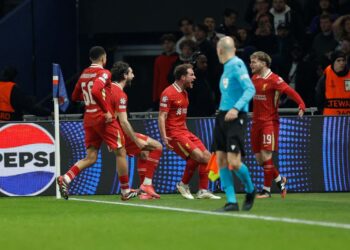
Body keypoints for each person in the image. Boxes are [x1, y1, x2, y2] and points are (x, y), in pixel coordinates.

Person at [56, 46, 139, 201]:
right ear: (103, 58)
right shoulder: (104, 73)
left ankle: (65, 178)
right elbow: (95, 90)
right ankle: (125, 190)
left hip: (89, 118)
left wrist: (89, 103)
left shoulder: (84, 73)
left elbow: (75, 96)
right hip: (103, 119)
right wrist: (105, 109)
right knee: (121, 152)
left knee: (91, 157)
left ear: (90, 59)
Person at [158, 63, 220, 200]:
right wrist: (164, 137)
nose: (194, 77)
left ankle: (202, 190)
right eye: (191, 75)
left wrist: (185, 131)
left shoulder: (185, 93)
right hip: (174, 134)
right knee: (199, 157)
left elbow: (181, 117)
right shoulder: (168, 93)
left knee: (207, 157)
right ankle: (183, 184)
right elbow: (162, 116)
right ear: (182, 77)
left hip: (184, 132)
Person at [249, 51, 306, 198]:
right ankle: (281, 180)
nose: (251, 64)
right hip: (256, 123)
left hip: (269, 122)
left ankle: (266, 191)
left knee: (266, 155)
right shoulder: (254, 77)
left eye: (254, 61)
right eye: (251, 61)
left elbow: (290, 91)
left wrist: (301, 104)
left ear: (263, 63)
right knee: (259, 159)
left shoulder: (274, 79)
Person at [214, 36, 256, 212]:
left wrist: (236, 108)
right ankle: (231, 202)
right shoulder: (226, 67)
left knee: (234, 161)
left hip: (235, 116)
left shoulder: (237, 65)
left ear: (221, 50)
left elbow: (250, 89)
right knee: (221, 160)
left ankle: (250, 190)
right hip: (223, 116)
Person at [110, 61, 163, 199]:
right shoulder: (120, 94)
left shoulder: (108, 89)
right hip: (121, 133)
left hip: (113, 134)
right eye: (131, 73)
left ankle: (144, 192)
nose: (133, 76)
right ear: (125, 75)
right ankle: (146, 184)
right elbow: (123, 121)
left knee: (143, 154)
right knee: (157, 147)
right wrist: (136, 140)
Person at [315, 50, 350, 115]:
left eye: (343, 60)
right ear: (333, 62)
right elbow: (319, 96)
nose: (341, 63)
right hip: (330, 117)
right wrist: (321, 111)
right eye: (338, 60)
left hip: (347, 117)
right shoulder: (326, 76)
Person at [152, 34, 178, 109]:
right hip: (162, 92)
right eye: (164, 43)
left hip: (175, 91)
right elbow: (156, 79)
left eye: (169, 43)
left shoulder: (178, 58)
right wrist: (155, 97)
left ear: (174, 44)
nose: (166, 45)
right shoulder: (158, 60)